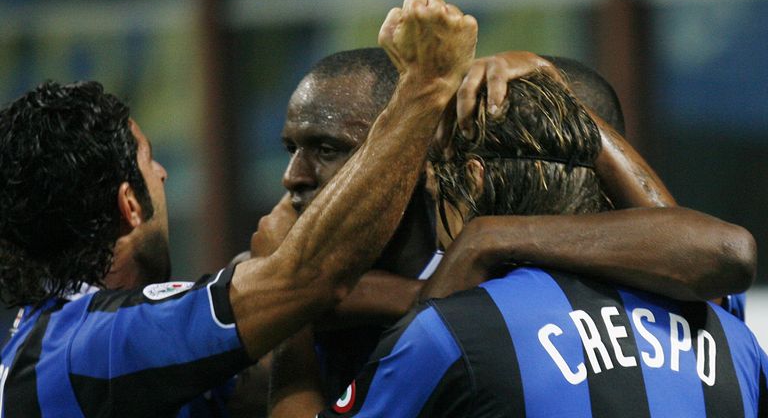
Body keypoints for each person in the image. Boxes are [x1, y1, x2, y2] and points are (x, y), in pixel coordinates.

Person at [0, 0, 478, 417]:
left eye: (326, 150)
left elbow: (277, 337)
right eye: (149, 161)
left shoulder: (58, 344)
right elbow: (303, 283)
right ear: (129, 204)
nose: (163, 173)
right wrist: (428, 85)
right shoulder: (96, 348)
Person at [265, 48, 756, 414]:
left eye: (329, 150)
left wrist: (489, 236)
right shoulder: (727, 335)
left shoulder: (453, 330)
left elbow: (724, 254)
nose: (295, 176)